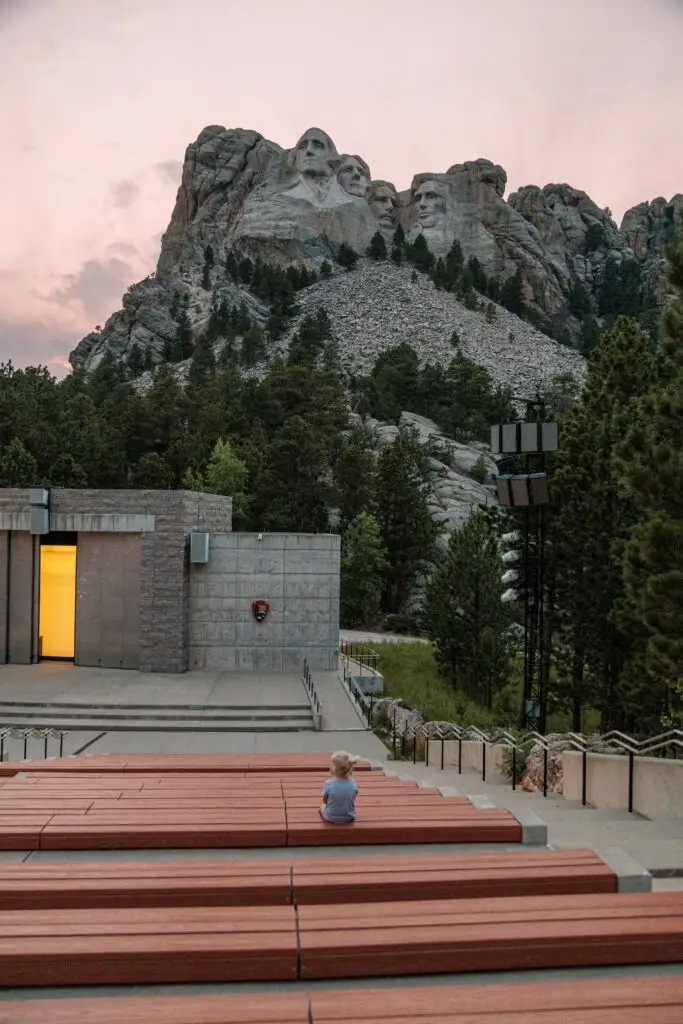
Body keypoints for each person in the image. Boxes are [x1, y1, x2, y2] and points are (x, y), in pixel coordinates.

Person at [320, 750, 358, 824]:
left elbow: (325, 801)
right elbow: (351, 799)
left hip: (330, 817)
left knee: (322, 806)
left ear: (333, 768)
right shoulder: (353, 784)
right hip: (349, 816)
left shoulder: (328, 783)